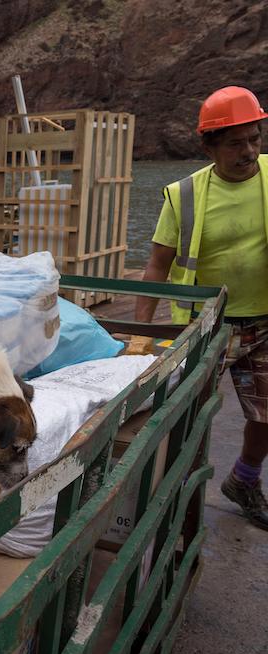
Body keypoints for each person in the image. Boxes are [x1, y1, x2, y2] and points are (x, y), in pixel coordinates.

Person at [130, 85, 268, 531]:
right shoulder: (184, 195)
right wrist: (141, 335)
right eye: (234, 143)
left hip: (265, 323)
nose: (248, 151)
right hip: (205, 327)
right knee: (185, 420)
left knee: (266, 414)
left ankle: (244, 480)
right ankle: (175, 499)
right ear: (209, 147)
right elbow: (156, 265)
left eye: (255, 138)